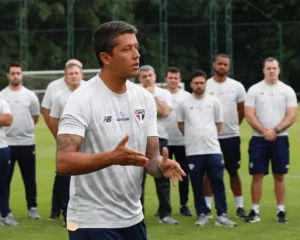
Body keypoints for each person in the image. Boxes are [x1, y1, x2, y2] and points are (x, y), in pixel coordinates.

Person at [56, 21, 185, 240]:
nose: (137, 55)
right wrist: (112, 157)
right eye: (127, 49)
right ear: (105, 57)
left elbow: (150, 161)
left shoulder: (144, 98)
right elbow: (64, 162)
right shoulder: (81, 99)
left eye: (136, 47)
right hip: (91, 222)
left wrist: (161, 167)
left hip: (133, 218)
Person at [177, 69, 237, 227]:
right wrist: (194, 136)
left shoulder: (214, 102)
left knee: (218, 181)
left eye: (202, 83)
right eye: (196, 83)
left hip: (213, 150)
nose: (199, 85)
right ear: (191, 84)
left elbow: (219, 124)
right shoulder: (184, 103)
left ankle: (222, 215)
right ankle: (202, 214)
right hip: (193, 151)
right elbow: (181, 124)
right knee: (197, 185)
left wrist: (207, 135)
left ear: (205, 84)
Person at [244, 57, 297, 223]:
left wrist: (275, 130)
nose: (272, 71)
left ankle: (281, 211)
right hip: (259, 139)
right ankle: (254, 211)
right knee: (257, 174)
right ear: (264, 70)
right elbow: (249, 114)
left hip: (280, 138)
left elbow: (291, 115)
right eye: (269, 68)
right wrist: (264, 131)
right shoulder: (254, 89)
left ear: (279, 70)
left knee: (279, 175)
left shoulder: (287, 90)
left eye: (274, 68)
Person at [204, 54, 247, 219]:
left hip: (231, 136)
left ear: (229, 67)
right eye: (219, 64)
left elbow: (241, 111)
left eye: (225, 65)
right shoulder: (206, 85)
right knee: (209, 172)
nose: (222, 67)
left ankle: (240, 207)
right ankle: (207, 208)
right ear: (214, 64)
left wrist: (234, 125)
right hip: (210, 137)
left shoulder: (237, 86)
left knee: (233, 171)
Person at [41, 59, 84, 220]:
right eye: (70, 74)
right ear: (65, 77)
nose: (73, 76)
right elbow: (53, 118)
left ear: (82, 74)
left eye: (76, 73)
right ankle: (66, 213)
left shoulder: (89, 91)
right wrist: (61, 138)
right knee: (65, 176)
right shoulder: (59, 96)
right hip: (68, 144)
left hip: (88, 143)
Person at [0, 62, 41, 222]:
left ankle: (32, 207)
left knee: (29, 178)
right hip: (7, 144)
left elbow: (35, 117)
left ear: (22, 74)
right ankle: (5, 211)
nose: (15, 76)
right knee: (5, 180)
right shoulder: (2, 96)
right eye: (13, 73)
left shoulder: (30, 95)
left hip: (27, 142)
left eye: (18, 73)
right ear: (8, 75)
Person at [138, 65, 179, 225]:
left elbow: (165, 112)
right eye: (144, 76)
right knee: (138, 179)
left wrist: (150, 95)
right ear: (139, 78)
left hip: (160, 137)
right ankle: (138, 214)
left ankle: (165, 213)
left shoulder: (164, 93)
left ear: (155, 76)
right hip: (139, 140)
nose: (147, 78)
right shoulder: (134, 92)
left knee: (162, 176)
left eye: (150, 75)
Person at [165, 66, 192, 216]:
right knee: (164, 176)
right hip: (165, 142)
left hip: (182, 141)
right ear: (166, 79)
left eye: (176, 78)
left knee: (183, 175)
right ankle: (165, 206)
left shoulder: (186, 96)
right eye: (170, 78)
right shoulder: (162, 95)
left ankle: (184, 204)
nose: (173, 80)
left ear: (180, 80)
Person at [0, 100, 13, 226]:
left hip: (1, 148)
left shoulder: (2, 102)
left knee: (3, 183)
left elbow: (8, 120)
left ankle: (4, 215)